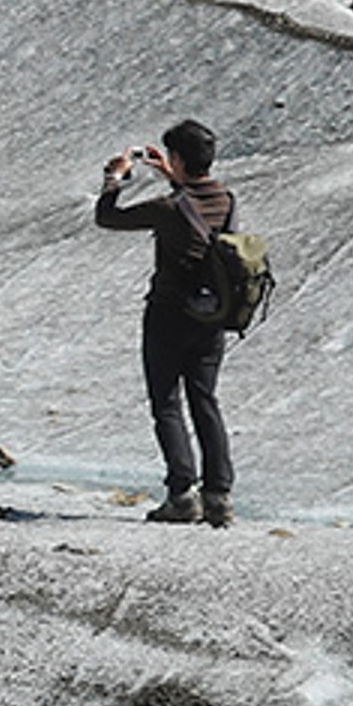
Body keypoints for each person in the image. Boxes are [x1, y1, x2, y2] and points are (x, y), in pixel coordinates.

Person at [96, 117, 238, 526]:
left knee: (167, 404)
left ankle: (181, 494)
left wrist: (114, 177)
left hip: (168, 317)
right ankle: (218, 497)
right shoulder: (226, 198)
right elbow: (199, 218)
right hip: (213, 316)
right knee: (205, 401)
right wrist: (172, 176)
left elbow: (107, 217)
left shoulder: (169, 208)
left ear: (177, 157)